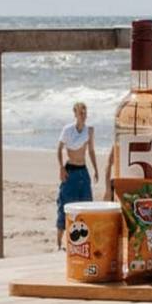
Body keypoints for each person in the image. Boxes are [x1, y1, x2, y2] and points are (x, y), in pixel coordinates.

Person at [56, 101, 98, 250]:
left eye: (85, 112)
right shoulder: (67, 130)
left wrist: (96, 169)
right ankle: (59, 243)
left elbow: (91, 151)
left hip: (83, 171)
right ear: (75, 113)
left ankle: (84, 241)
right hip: (70, 170)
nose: (84, 115)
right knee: (64, 205)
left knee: (87, 204)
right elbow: (59, 149)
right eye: (81, 112)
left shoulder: (89, 130)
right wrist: (61, 168)